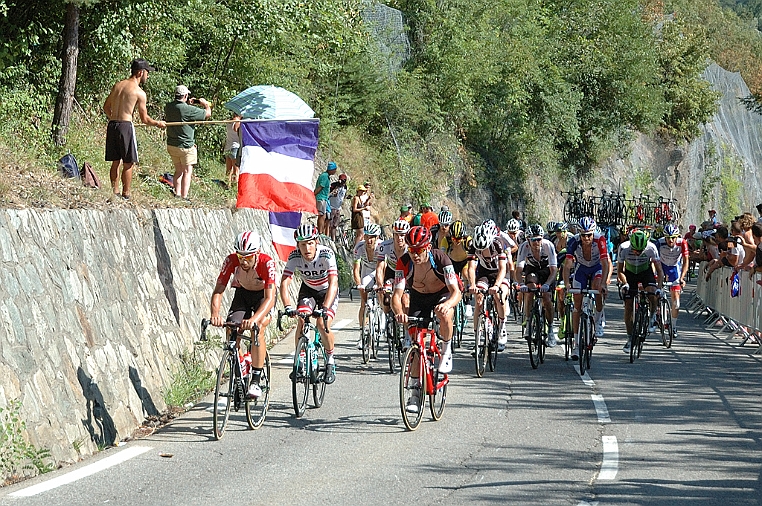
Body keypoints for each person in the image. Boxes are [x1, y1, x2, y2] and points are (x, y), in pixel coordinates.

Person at [392, 226, 461, 413]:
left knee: (445, 314)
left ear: (428, 247)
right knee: (417, 345)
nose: (414, 254)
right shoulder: (404, 262)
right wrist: (399, 313)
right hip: (419, 298)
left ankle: (446, 349)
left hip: (441, 293)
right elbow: (396, 296)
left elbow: (456, 292)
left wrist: (448, 304)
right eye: (411, 249)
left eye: (419, 250)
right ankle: (414, 393)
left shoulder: (441, 259)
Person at [210, 231, 276, 399]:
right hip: (243, 293)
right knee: (231, 328)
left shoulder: (267, 263)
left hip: (263, 298)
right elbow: (219, 290)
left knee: (257, 329)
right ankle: (241, 365)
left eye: (248, 257)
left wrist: (253, 320)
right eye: (241, 256)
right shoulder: (231, 260)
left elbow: (270, 298)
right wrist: (215, 314)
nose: (243, 261)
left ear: (257, 253)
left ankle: (255, 380)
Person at [280, 223, 339, 384]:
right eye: (303, 244)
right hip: (309, 290)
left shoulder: (326, 254)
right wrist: (287, 307)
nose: (307, 248)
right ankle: (299, 360)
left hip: (327, 291)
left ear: (317, 242)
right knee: (301, 317)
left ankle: (330, 361)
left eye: (310, 243)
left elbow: (333, 282)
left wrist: (325, 308)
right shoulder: (294, 257)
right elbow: (285, 282)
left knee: (322, 324)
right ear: (298, 245)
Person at [103, 58, 167, 199]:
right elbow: (145, 119)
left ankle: (114, 192)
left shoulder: (118, 85)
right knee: (128, 162)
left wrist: (114, 118)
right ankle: (126, 194)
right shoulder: (139, 92)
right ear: (140, 73)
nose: (147, 76)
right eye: (146, 72)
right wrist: (158, 123)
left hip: (112, 125)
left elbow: (106, 107)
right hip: (125, 126)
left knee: (115, 161)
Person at [562, 217, 610, 359]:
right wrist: (566, 284)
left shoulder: (599, 240)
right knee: (577, 305)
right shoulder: (573, 242)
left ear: (593, 233)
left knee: (597, 287)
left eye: (589, 235)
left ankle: (599, 317)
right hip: (581, 269)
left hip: (596, 268)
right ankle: (576, 345)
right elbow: (568, 264)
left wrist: (603, 283)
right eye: (583, 235)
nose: (586, 238)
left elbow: (605, 263)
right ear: (579, 234)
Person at [617, 229, 664, 353]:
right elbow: (620, 271)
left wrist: (659, 288)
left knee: (652, 293)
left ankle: (653, 315)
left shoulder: (651, 248)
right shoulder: (623, 247)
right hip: (630, 274)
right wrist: (625, 283)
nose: (637, 253)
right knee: (628, 307)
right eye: (635, 250)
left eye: (640, 250)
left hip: (645, 272)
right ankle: (629, 338)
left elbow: (659, 271)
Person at [164, 85, 211, 200]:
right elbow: (207, 114)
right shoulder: (188, 110)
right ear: (185, 96)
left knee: (178, 170)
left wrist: (189, 105)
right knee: (187, 171)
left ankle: (177, 194)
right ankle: (184, 196)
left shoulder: (168, 107)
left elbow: (182, 113)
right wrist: (205, 104)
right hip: (185, 146)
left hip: (172, 145)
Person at [467, 224, 510, 350]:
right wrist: (472, 285)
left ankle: (501, 327)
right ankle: (477, 337)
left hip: (499, 273)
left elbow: (503, 269)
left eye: (485, 248)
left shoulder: (498, 244)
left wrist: (497, 285)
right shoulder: (472, 246)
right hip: (484, 273)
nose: (483, 251)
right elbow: (471, 268)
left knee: (499, 296)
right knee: (479, 299)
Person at [515, 224, 558, 346]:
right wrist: (521, 284)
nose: (536, 242)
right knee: (529, 291)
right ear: (528, 239)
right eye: (533, 240)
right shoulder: (524, 247)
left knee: (547, 297)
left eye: (539, 239)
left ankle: (550, 329)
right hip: (532, 269)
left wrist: (547, 284)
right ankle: (528, 322)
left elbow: (554, 270)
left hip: (546, 269)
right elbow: (518, 270)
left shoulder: (548, 245)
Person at [655, 223, 689, 337]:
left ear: (677, 236)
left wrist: (682, 278)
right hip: (661, 269)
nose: (671, 240)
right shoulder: (659, 243)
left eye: (673, 237)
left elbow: (685, 261)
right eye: (668, 238)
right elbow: (653, 260)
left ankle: (673, 327)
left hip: (675, 271)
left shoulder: (682, 243)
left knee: (676, 302)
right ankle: (656, 314)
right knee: (656, 294)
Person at [353, 223, 382, 350]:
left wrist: (380, 284)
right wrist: (359, 284)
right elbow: (356, 269)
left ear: (377, 237)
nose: (369, 240)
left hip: (379, 269)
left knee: (381, 292)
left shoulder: (382, 247)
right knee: (364, 303)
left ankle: (382, 312)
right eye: (367, 236)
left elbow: (383, 267)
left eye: (372, 237)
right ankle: (362, 334)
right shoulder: (359, 247)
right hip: (366, 270)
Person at [376, 219, 411, 319]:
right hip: (391, 273)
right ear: (393, 235)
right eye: (397, 235)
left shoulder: (410, 248)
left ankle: (406, 327)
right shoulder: (384, 246)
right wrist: (379, 284)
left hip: (406, 274)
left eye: (402, 235)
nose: (399, 238)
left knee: (405, 301)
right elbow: (380, 266)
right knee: (387, 303)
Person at [314, 161, 337, 236]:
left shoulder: (326, 176)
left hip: (324, 198)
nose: (335, 171)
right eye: (335, 169)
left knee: (323, 216)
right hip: (321, 198)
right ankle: (320, 232)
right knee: (322, 216)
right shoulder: (324, 176)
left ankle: (320, 231)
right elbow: (320, 187)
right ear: (331, 169)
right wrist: (313, 195)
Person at [328, 173, 348, 240]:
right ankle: (328, 237)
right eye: (342, 181)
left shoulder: (345, 187)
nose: (343, 183)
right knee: (330, 224)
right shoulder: (334, 185)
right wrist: (333, 192)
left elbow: (343, 196)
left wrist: (347, 197)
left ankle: (333, 239)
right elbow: (328, 194)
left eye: (344, 181)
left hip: (338, 208)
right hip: (331, 206)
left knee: (335, 225)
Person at [224, 112, 241, 187]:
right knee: (235, 170)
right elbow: (236, 130)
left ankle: (227, 185)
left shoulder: (228, 122)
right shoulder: (237, 122)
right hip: (235, 147)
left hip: (228, 147)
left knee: (228, 170)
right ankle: (234, 187)